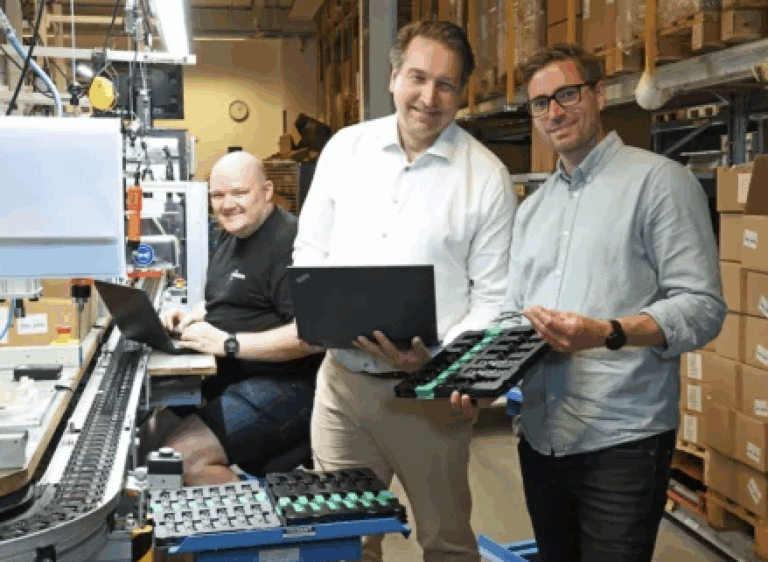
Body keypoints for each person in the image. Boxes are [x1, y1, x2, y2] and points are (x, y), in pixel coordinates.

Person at [451, 43, 726, 562]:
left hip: (621, 438)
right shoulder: (533, 210)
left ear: (598, 95)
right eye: (540, 103)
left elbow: (703, 307)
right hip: (540, 436)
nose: (554, 112)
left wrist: (606, 331)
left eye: (567, 95)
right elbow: (517, 315)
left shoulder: (659, 183)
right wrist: (480, 374)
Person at [292, 20, 516, 562]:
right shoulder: (345, 150)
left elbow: (494, 297)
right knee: (343, 540)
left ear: (460, 95)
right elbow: (309, 253)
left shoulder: (485, 177)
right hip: (342, 388)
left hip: (428, 401)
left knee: (446, 543)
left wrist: (441, 361)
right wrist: (326, 316)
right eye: (417, 77)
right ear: (394, 78)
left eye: (446, 85)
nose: (428, 97)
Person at [157, 151, 324, 486]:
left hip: (287, 385)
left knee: (182, 459)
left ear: (266, 191)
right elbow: (232, 298)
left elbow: (311, 335)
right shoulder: (231, 235)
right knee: (149, 433)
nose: (227, 204)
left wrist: (226, 343)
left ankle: (264, 534)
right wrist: (191, 317)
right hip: (235, 377)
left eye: (239, 193)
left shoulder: (292, 242)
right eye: (218, 195)